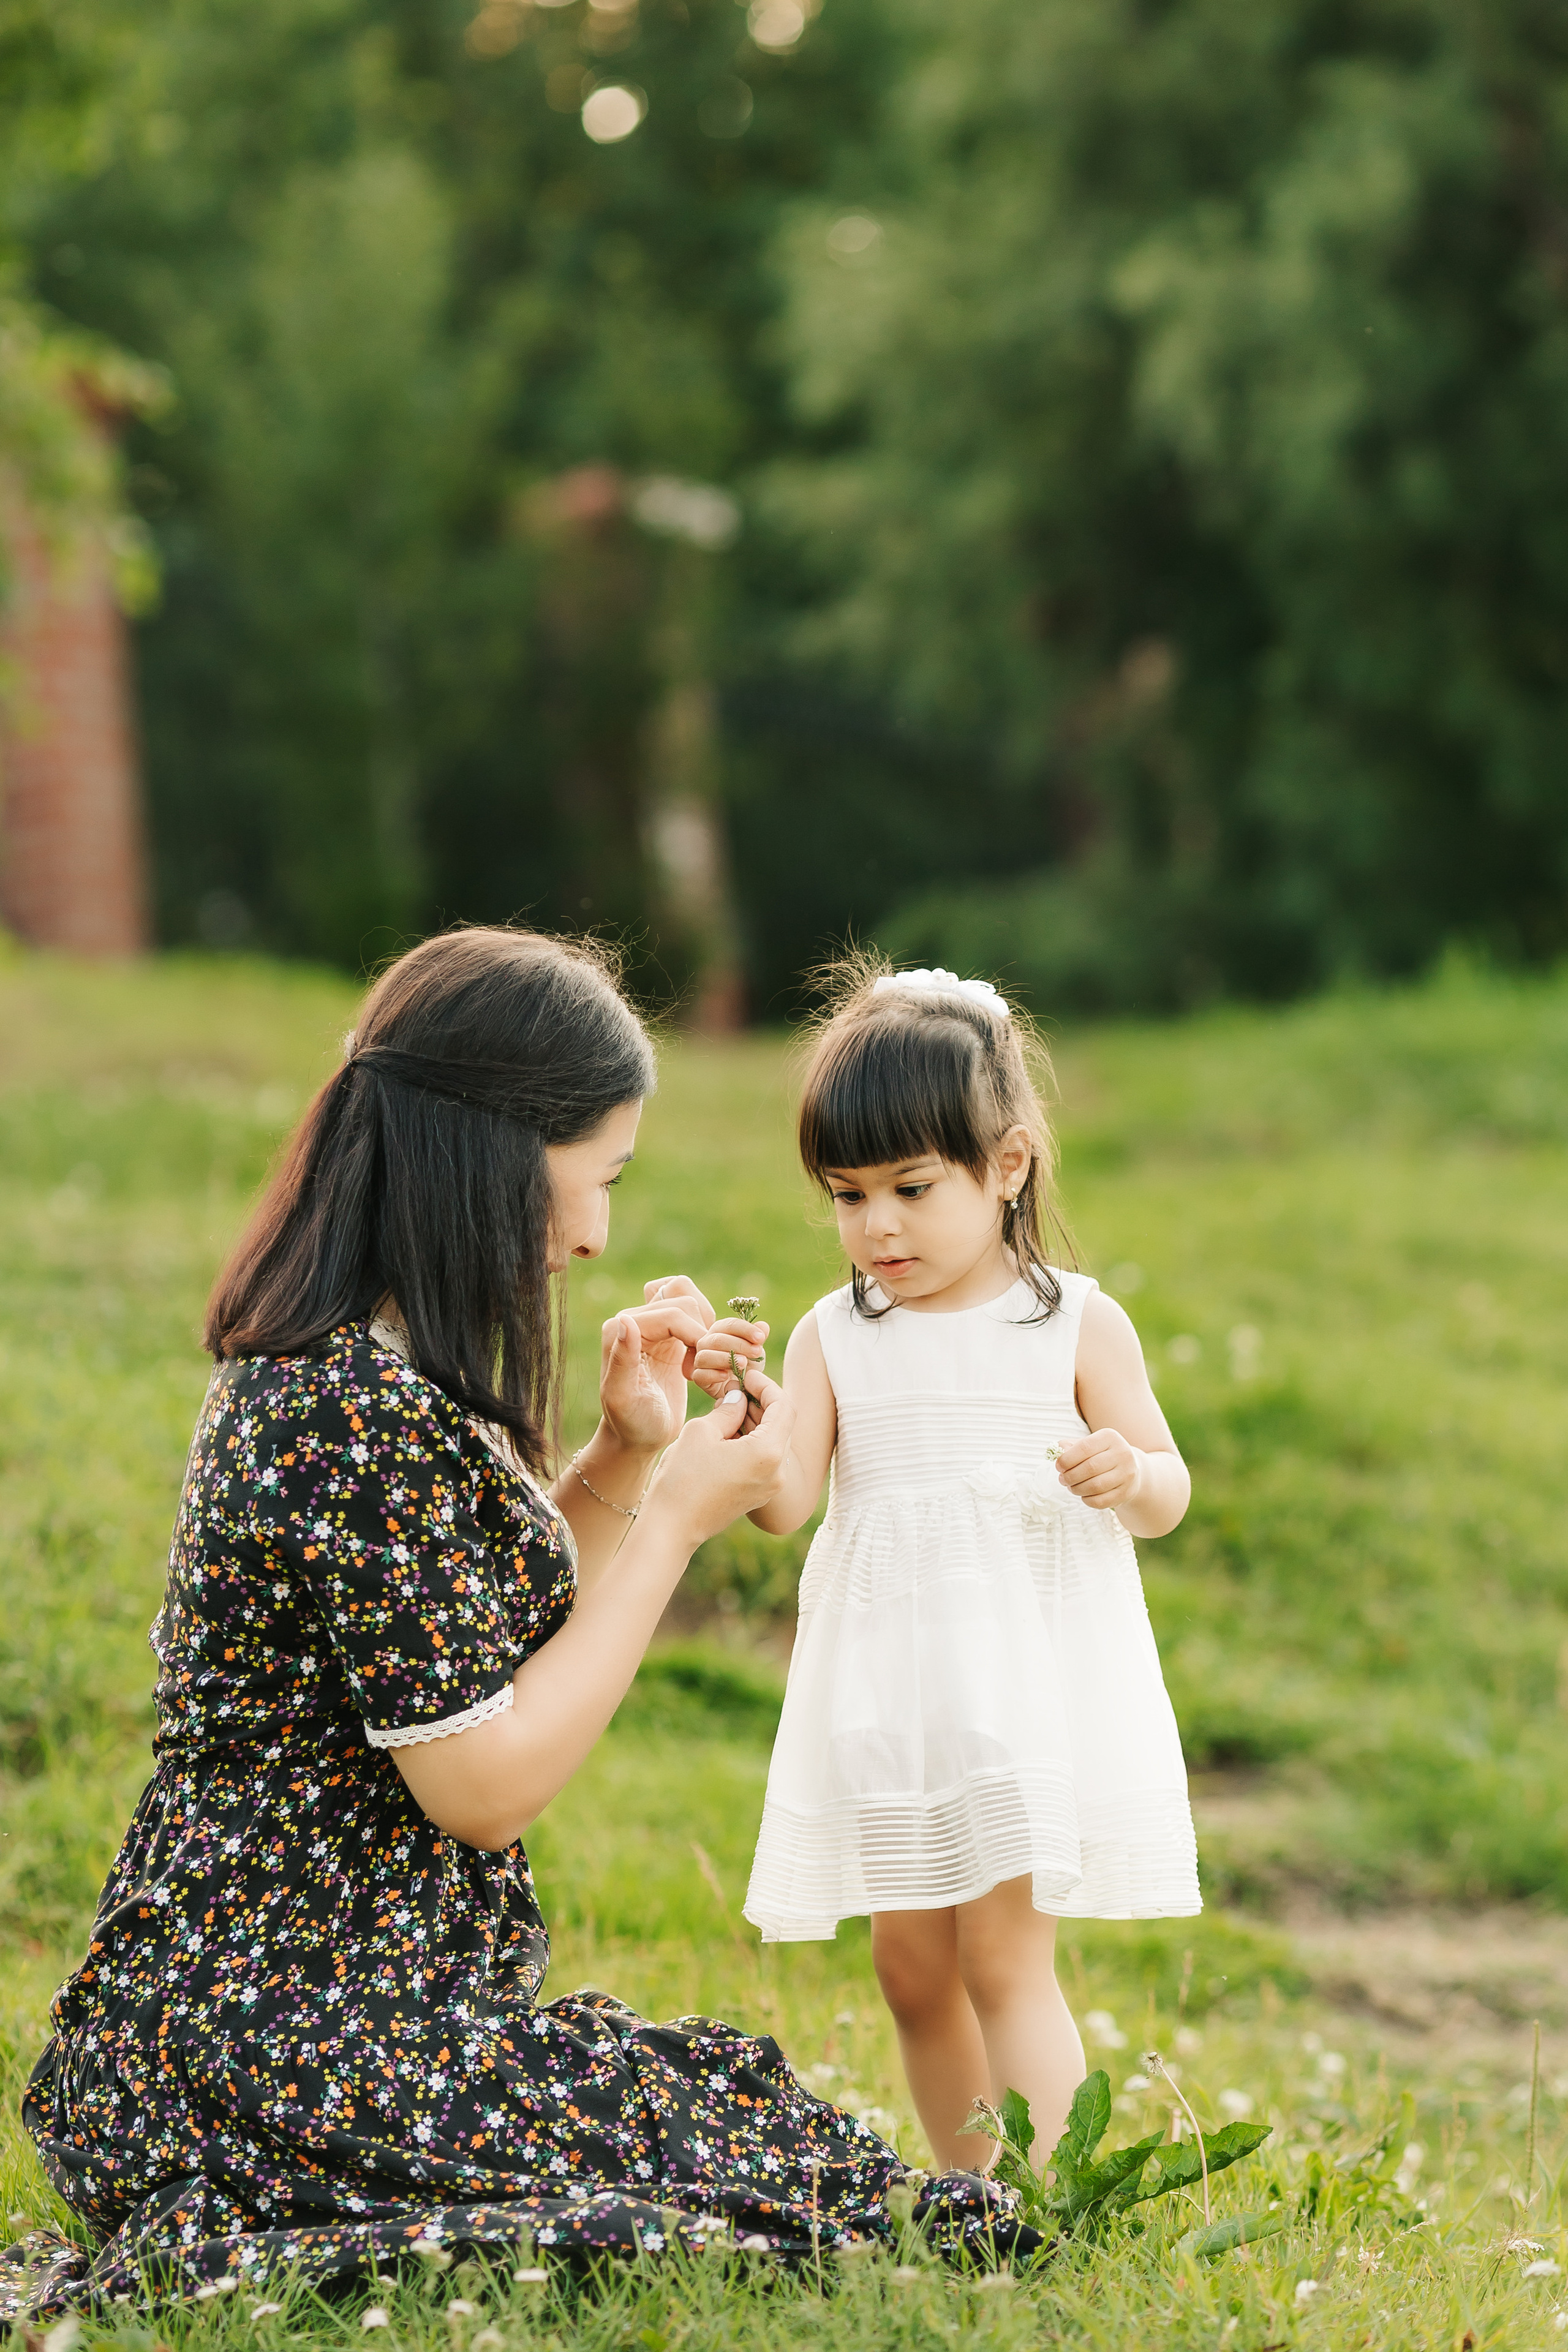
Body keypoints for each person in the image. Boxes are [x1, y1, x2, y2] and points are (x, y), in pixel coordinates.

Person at [7, 927, 915, 2316]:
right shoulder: (338, 1413)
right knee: (741, 2172)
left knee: (738, 2132)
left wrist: (619, 1457)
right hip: (257, 2034)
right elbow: (482, 1783)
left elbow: (453, 1641)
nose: (598, 1232)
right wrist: (672, 1518)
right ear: (489, 1152)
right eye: (594, 1177)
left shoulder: (355, 1379)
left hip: (320, 2019)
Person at [695, 961, 1200, 2171]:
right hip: (891, 1691)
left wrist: (1125, 1476)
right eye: (847, 1195)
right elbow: (790, 1505)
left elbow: (1168, 1488)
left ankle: (1049, 2198)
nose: (877, 1227)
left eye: (911, 1189)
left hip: (1023, 1687)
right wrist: (750, 1410)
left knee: (1000, 1957)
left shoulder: (1072, 1321)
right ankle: (967, 2193)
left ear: (1007, 1166)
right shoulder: (833, 1333)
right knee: (908, 1963)